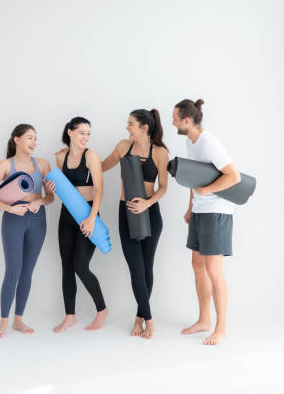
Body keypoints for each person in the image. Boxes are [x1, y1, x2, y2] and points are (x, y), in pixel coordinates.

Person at [171, 99, 241, 345]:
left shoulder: (209, 142)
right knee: (197, 266)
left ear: (186, 121)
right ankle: (204, 320)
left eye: (175, 118)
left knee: (213, 270)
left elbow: (234, 176)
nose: (173, 122)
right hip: (201, 212)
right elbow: (194, 178)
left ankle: (220, 329)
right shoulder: (191, 142)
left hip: (217, 211)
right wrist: (191, 206)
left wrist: (206, 191)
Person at [101, 109, 169, 339]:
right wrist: (76, 155)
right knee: (135, 268)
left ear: (144, 127)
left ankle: (140, 318)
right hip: (126, 212)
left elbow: (163, 188)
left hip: (150, 213)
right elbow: (101, 166)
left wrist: (147, 204)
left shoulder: (159, 152)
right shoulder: (123, 147)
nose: (127, 127)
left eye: (130, 124)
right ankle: (149, 321)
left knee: (147, 267)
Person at [0, 124, 53, 338]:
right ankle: (3, 321)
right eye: (30, 137)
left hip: (38, 220)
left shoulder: (43, 164)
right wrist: (10, 208)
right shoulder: (5, 165)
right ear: (17, 139)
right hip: (13, 220)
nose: (34, 142)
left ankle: (18, 320)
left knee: (27, 272)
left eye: (36, 139)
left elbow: (51, 196)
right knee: (13, 271)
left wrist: (40, 201)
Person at [46, 117, 108, 333]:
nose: (86, 137)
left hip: (88, 215)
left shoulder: (91, 155)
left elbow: (99, 189)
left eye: (88, 133)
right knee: (67, 266)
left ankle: (102, 310)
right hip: (67, 217)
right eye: (82, 132)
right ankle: (69, 316)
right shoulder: (61, 158)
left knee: (81, 265)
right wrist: (53, 188)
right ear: (70, 132)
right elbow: (64, 189)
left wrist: (92, 218)